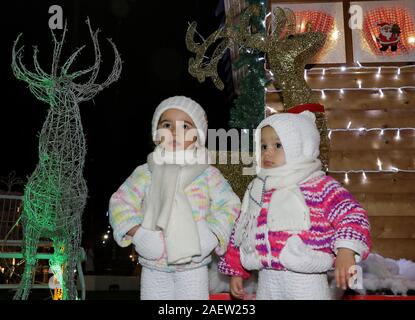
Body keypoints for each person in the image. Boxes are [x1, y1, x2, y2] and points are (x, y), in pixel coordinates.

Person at [218, 110, 371, 300]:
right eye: (263, 146)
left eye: (278, 145)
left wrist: (347, 250)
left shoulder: (319, 185)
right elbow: (242, 229)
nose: (268, 152)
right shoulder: (256, 188)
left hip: (306, 278)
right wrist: (236, 270)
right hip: (267, 278)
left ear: (300, 147)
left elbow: (352, 215)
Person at [109, 96, 240, 299]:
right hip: (154, 265)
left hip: (194, 265)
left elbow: (229, 204)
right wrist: (140, 233)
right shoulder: (145, 172)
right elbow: (120, 202)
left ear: (198, 136)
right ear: (156, 133)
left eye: (185, 126)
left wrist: (211, 234)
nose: (174, 131)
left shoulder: (208, 173)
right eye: (167, 124)